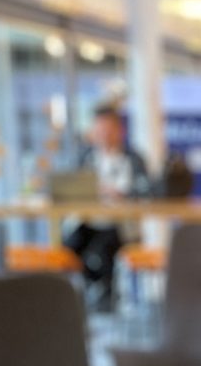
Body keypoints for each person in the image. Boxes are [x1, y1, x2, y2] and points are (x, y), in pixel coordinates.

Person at [63, 104, 149, 308]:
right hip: (88, 221)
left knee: (102, 252)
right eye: (99, 130)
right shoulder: (85, 158)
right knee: (68, 248)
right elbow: (70, 188)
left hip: (120, 227)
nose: (103, 135)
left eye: (108, 130)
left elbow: (146, 190)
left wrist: (122, 194)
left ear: (119, 131)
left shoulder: (134, 159)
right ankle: (94, 292)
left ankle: (106, 297)